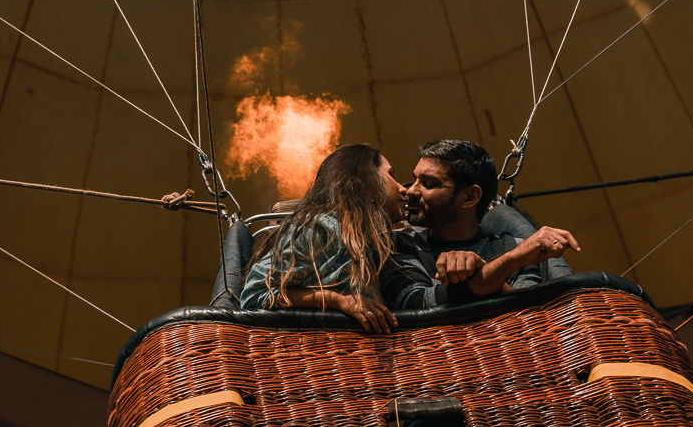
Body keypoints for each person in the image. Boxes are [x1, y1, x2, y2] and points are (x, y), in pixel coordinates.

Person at [382, 138, 580, 310]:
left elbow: (524, 315)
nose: (410, 191)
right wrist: (504, 266)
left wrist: (480, 271)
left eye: (428, 184)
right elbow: (414, 302)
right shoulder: (398, 245)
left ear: (470, 197)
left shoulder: (515, 247)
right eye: (415, 180)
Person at [240, 143, 405, 332]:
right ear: (366, 179)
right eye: (392, 175)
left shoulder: (365, 240)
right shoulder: (323, 229)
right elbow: (255, 294)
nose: (403, 189)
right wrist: (337, 299)